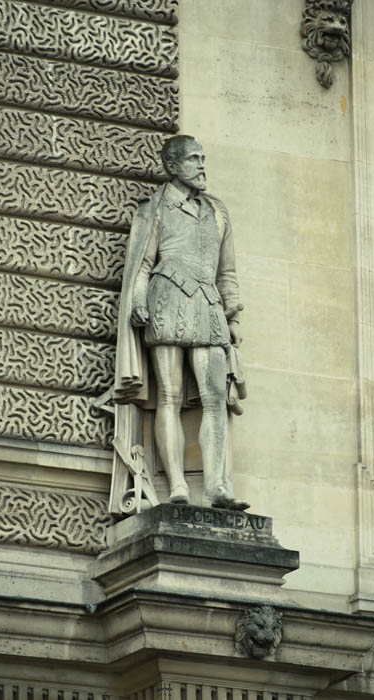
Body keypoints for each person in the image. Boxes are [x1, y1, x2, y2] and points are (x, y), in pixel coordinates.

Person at [114, 135, 248, 510]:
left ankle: (218, 486)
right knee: (169, 397)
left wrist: (233, 316)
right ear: (172, 166)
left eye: (203, 158)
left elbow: (228, 272)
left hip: (208, 304)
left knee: (215, 398)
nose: (202, 165)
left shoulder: (218, 211)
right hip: (167, 298)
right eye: (193, 159)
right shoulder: (154, 208)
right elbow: (142, 261)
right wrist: (138, 299)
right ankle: (177, 485)